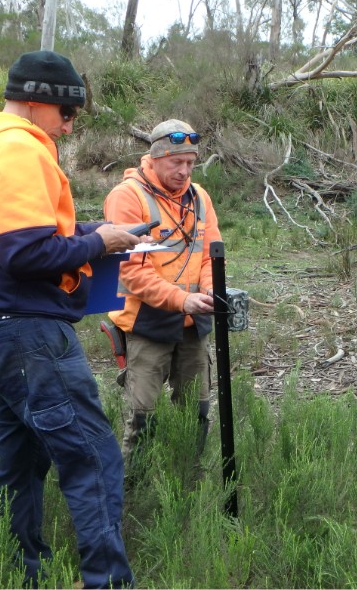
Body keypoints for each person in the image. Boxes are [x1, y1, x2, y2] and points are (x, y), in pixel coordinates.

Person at [0, 51, 140, 587]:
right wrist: (97, 241)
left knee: (14, 467)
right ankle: (107, 582)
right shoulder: (18, 148)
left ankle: (17, 577)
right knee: (93, 460)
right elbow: (26, 255)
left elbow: (10, 237)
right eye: (67, 112)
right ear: (35, 102)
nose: (71, 124)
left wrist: (86, 231)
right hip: (26, 333)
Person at [103, 119, 221, 464]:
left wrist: (211, 293)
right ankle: (133, 496)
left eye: (190, 163)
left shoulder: (200, 198)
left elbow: (212, 254)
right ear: (153, 159)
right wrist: (183, 299)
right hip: (147, 324)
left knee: (196, 416)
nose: (184, 171)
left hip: (194, 324)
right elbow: (132, 273)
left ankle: (187, 488)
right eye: (176, 162)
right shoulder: (127, 196)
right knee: (143, 421)